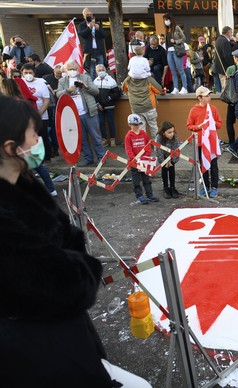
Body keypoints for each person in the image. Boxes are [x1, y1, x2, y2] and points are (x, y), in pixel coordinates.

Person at [0, 95, 151, 388]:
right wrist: (81, 267)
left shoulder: (27, 185)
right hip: (35, 354)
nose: (41, 139)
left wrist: (71, 259)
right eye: (34, 134)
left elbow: (69, 241)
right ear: (11, 147)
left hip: (66, 336)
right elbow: (68, 284)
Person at [56, 60, 104, 167]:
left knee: (96, 136)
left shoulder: (85, 77)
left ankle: (101, 158)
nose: (72, 71)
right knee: (82, 139)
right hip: (73, 115)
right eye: (70, 69)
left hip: (89, 112)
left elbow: (96, 91)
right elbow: (58, 94)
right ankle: (88, 158)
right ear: (66, 70)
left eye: (74, 69)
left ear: (77, 69)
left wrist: (86, 87)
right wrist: (68, 90)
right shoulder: (62, 81)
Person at [187, 86, 223, 197]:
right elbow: (189, 126)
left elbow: (220, 124)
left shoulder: (213, 109)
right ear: (199, 98)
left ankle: (214, 187)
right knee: (204, 166)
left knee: (214, 165)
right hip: (200, 143)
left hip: (211, 142)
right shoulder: (193, 110)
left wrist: (212, 123)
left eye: (209, 95)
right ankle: (206, 186)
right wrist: (199, 126)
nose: (209, 97)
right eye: (206, 96)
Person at [125, 114, 159, 204]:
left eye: (138, 124)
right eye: (134, 125)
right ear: (130, 124)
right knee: (136, 180)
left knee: (146, 179)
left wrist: (145, 157)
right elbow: (129, 150)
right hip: (134, 163)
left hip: (144, 161)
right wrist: (135, 159)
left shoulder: (144, 134)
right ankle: (139, 195)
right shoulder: (128, 136)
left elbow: (148, 147)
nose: (136, 126)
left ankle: (149, 194)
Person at [21, 63, 51, 164]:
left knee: (43, 137)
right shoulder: (20, 83)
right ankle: (35, 158)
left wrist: (38, 113)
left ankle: (47, 158)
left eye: (30, 72)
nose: (28, 75)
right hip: (26, 116)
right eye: (26, 73)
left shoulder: (41, 83)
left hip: (41, 115)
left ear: (34, 73)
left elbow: (46, 100)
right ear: (22, 73)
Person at [122, 70, 164, 139]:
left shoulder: (128, 79)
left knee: (141, 129)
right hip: (150, 107)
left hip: (136, 108)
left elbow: (124, 88)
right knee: (153, 127)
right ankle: (157, 145)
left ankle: (143, 146)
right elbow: (159, 90)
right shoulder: (148, 79)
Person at [94, 64, 120, 147]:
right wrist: (97, 104)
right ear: (96, 72)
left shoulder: (111, 80)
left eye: (102, 70)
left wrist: (109, 98)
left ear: (105, 70)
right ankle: (104, 139)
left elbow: (117, 93)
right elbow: (94, 94)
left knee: (111, 122)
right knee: (101, 123)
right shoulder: (95, 81)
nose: (101, 72)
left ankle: (112, 139)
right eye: (99, 70)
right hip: (99, 106)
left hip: (109, 106)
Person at [163, 13, 188, 94]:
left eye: (167, 19)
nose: (166, 21)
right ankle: (176, 88)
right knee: (173, 71)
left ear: (170, 19)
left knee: (180, 70)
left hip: (176, 50)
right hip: (169, 52)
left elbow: (184, 38)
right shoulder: (167, 30)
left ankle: (184, 87)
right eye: (165, 20)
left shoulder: (176, 28)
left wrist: (176, 41)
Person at [78, 8, 106, 79]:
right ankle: (92, 88)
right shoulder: (82, 25)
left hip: (99, 50)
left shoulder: (97, 24)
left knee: (101, 69)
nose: (89, 16)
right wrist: (89, 28)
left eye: (90, 15)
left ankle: (102, 85)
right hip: (89, 52)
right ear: (84, 16)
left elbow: (104, 35)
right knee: (91, 71)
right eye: (87, 15)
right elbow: (82, 35)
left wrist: (98, 29)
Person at [155, 121, 180, 199]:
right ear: (163, 132)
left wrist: (172, 161)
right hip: (163, 156)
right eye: (169, 132)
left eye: (172, 131)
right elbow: (158, 151)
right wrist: (163, 162)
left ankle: (172, 187)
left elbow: (177, 150)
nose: (172, 134)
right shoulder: (158, 138)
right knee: (164, 170)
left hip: (172, 156)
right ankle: (166, 188)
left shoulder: (174, 137)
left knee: (172, 170)